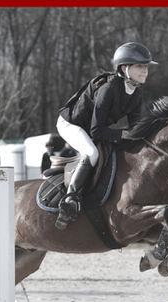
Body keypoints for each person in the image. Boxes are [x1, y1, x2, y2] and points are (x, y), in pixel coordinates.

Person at [55, 42, 157, 230]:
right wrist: (124, 134)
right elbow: (96, 131)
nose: (145, 71)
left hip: (91, 128)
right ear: (125, 68)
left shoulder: (136, 93)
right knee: (91, 153)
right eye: (140, 66)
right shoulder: (109, 88)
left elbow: (135, 127)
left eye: (146, 66)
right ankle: (70, 199)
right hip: (71, 125)